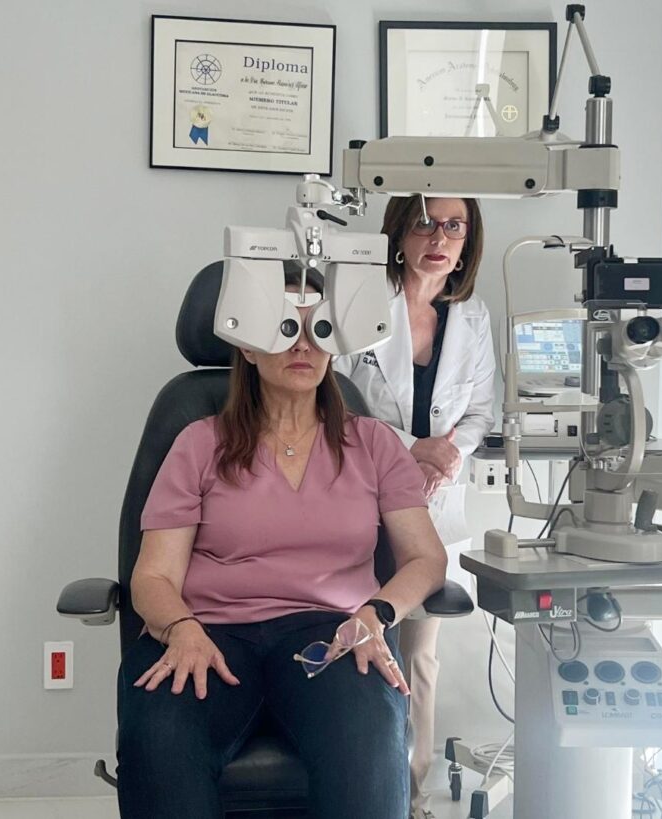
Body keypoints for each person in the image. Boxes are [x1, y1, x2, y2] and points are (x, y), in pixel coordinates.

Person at [116, 269, 448, 819]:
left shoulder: (373, 444)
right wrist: (180, 630)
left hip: (333, 636)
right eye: (284, 325)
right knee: (161, 736)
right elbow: (153, 577)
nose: (302, 343)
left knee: (366, 739)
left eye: (318, 328)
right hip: (209, 632)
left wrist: (376, 614)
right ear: (247, 345)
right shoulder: (199, 443)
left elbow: (425, 558)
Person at [333, 195, 496, 819]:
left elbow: (481, 411)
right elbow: (341, 402)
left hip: (435, 502)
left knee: (421, 652)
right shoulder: (362, 304)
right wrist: (412, 450)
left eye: (455, 225)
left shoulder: (473, 318)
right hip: (358, 495)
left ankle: (412, 790)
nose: (439, 236)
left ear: (467, 240)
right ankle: (359, 775)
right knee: (363, 633)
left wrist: (445, 456)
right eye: (425, 221)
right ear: (398, 233)